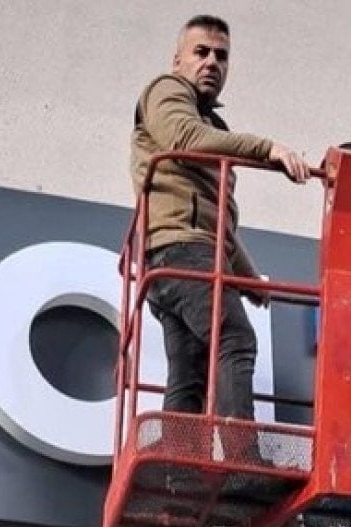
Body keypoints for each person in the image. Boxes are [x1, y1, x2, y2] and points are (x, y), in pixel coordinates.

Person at [130, 15, 311, 421]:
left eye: (221, 56)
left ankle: (178, 460)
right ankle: (242, 453)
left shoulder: (212, 125)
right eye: (201, 52)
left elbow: (218, 222)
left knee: (190, 372)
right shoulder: (166, 90)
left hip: (177, 254)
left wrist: (249, 278)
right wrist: (268, 148)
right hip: (181, 249)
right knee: (235, 339)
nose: (212, 62)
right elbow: (183, 137)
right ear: (178, 60)